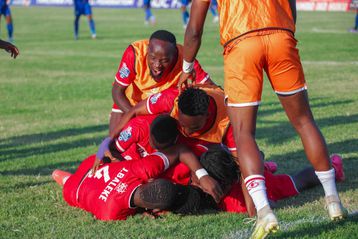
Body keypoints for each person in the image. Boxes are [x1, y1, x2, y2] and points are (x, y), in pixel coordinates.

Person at [178, 1, 347, 238]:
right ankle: (333, 200)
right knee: (304, 121)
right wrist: (286, 33)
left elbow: (195, 27)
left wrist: (187, 66)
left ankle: (264, 210)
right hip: (280, 35)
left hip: (241, 42)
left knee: (244, 132)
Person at [53, 115, 223, 221]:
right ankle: (62, 176)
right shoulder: (139, 131)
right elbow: (111, 145)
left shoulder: (143, 169)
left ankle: (60, 175)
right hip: (89, 178)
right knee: (70, 182)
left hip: (90, 175)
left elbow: (180, 151)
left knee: (66, 180)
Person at [109, 30, 213, 136]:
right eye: (153, 58)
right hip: (129, 104)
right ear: (147, 50)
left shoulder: (186, 59)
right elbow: (117, 91)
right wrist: (137, 119)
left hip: (160, 108)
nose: (157, 65)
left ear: (175, 55)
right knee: (113, 146)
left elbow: (211, 88)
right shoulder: (135, 52)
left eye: (164, 60)